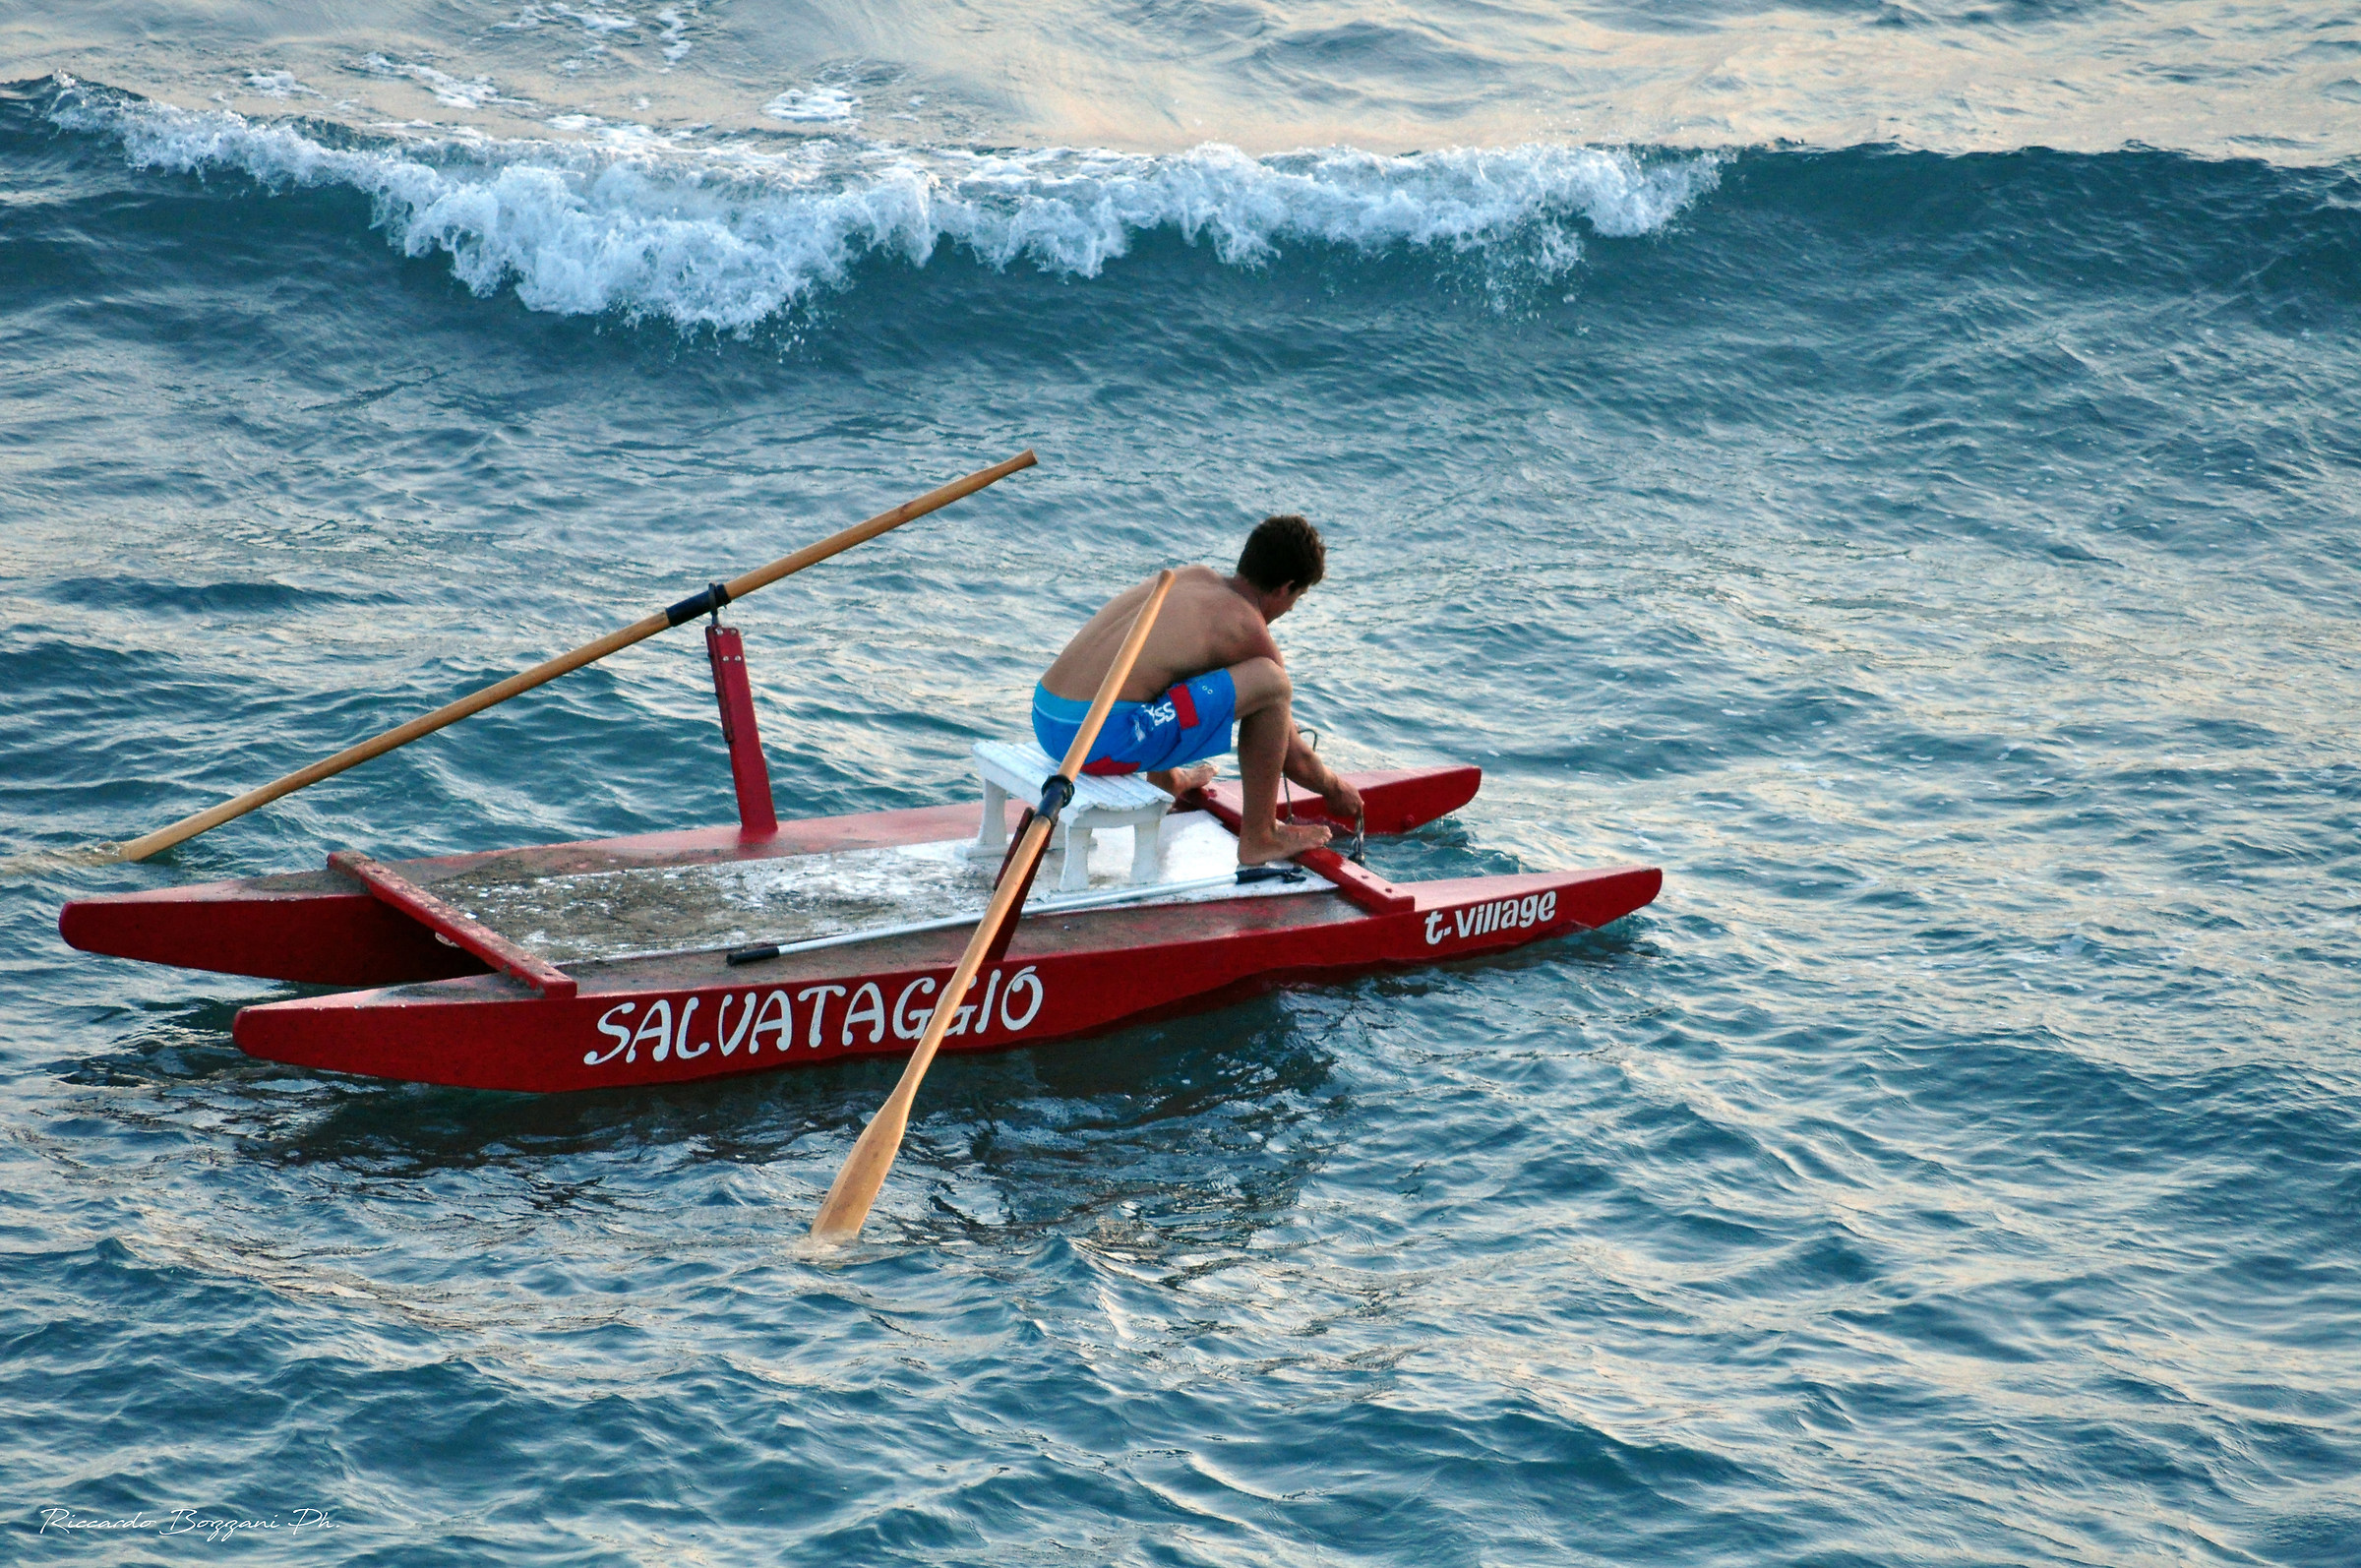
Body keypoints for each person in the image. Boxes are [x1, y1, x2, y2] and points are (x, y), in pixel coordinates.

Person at [1033, 513, 1363, 866]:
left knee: (1168, 668)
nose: (1292, 607)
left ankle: (1167, 779)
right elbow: (1295, 759)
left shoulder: (1196, 576)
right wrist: (1334, 788)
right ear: (1285, 588)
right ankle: (1261, 836)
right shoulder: (1246, 628)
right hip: (1093, 744)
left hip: (1047, 718)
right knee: (1273, 683)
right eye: (1298, 595)